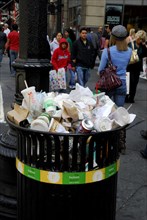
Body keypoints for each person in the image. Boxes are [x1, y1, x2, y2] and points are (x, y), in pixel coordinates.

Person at [98, 25, 132, 154]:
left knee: (105, 111)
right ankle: (120, 143)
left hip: (109, 84)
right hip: (122, 83)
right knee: (120, 114)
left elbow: (101, 69)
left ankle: (105, 140)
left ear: (113, 37)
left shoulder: (108, 51)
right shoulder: (129, 51)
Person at [125, 30, 147, 103]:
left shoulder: (142, 46)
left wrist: (144, 45)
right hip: (130, 66)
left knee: (135, 82)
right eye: (140, 38)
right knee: (129, 82)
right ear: (137, 37)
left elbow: (145, 54)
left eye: (142, 39)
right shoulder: (131, 44)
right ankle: (126, 96)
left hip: (137, 67)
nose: (140, 40)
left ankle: (131, 97)